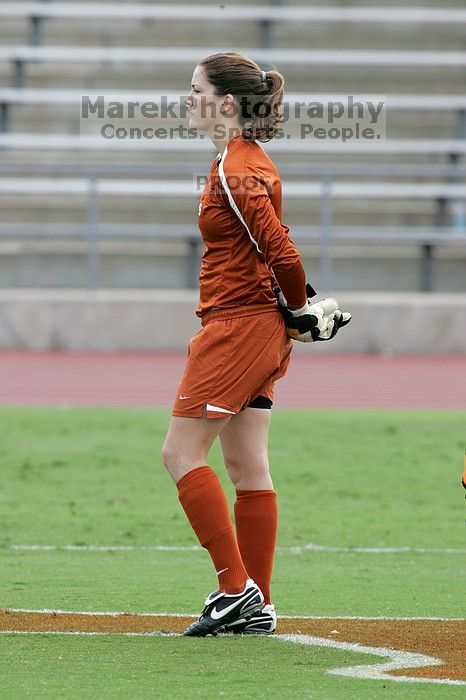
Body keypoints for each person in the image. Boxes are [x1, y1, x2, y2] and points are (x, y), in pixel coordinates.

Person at [161, 52, 350, 637]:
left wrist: (298, 303)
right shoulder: (241, 160)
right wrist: (296, 308)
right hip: (258, 327)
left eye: (194, 90)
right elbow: (277, 254)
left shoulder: (234, 167)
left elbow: (283, 252)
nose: (185, 99)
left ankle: (234, 590)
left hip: (238, 327)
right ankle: (259, 602)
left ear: (225, 103)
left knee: (180, 454)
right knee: (246, 464)